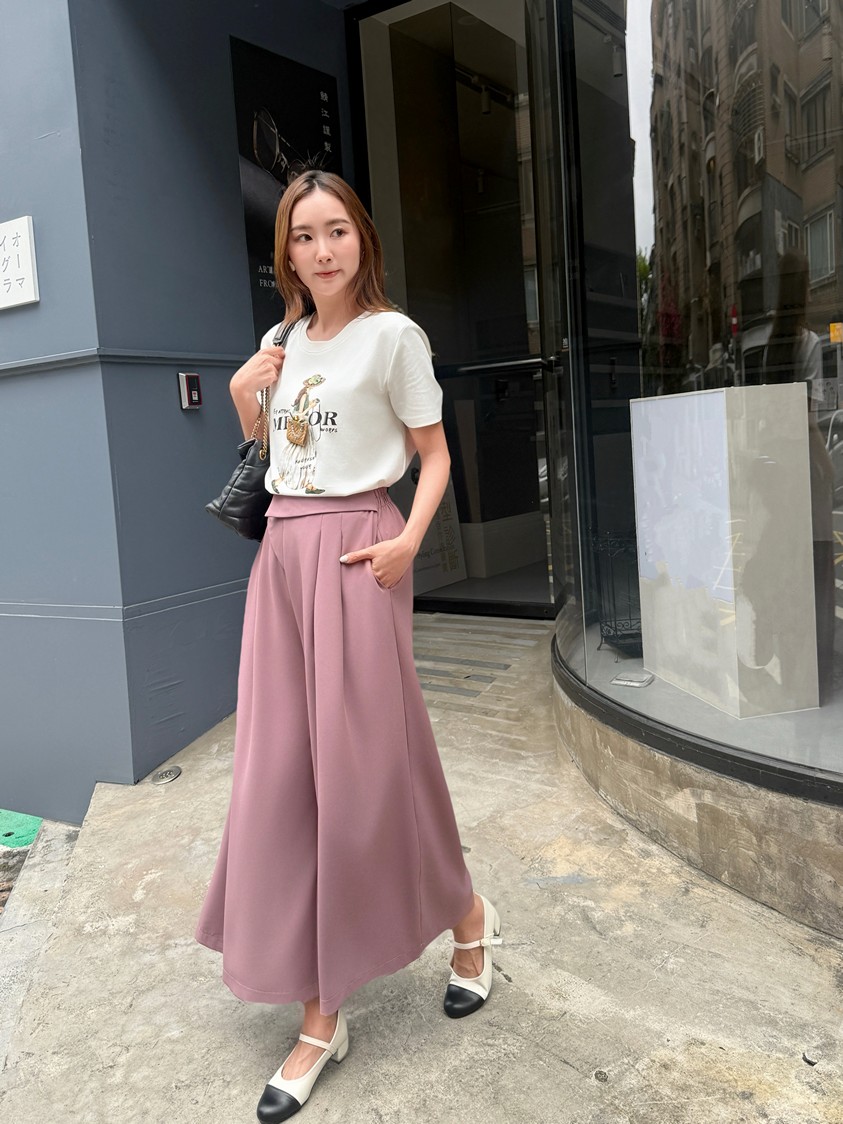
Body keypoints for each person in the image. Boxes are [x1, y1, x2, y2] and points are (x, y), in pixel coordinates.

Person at [195, 169, 502, 1124]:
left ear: (361, 238)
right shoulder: (283, 339)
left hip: (361, 551)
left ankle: (443, 932)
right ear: (284, 252)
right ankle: (341, 998)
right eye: (302, 236)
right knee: (283, 774)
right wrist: (244, 393)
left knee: (368, 771)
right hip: (283, 557)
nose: (321, 250)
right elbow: (276, 451)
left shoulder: (393, 336)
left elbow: (434, 452)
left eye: (336, 231)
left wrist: (409, 543)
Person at [761, 248, 835, 703]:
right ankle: (815, 676)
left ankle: (792, 672)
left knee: (789, 572)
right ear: (803, 289)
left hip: (779, 476)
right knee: (817, 570)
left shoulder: (773, 347)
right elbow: (808, 423)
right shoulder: (807, 344)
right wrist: (828, 469)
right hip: (804, 472)